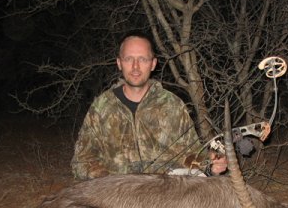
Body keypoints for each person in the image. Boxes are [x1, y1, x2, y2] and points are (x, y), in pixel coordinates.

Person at [71, 31, 227, 179]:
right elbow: (81, 161)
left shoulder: (172, 105)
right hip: (116, 195)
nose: (135, 67)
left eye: (143, 59)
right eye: (128, 59)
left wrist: (210, 164)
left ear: (153, 64)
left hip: (163, 192)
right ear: (119, 63)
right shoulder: (101, 107)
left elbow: (189, 154)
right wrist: (108, 179)